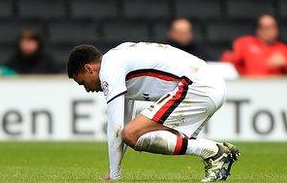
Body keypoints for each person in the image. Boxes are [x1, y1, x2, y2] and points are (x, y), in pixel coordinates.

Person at [67, 42, 240, 182]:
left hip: (198, 85)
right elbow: (123, 124)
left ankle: (214, 152)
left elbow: (116, 128)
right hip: (211, 83)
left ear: (89, 68)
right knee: (146, 135)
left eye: (83, 83)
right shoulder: (118, 58)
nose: (87, 89)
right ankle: (217, 159)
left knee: (132, 134)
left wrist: (114, 175)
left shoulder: (109, 70)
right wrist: (114, 172)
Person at [220, 14, 287, 76]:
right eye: (265, 28)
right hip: (251, 87)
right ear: (258, 30)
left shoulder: (284, 49)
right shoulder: (245, 43)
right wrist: (266, 66)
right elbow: (227, 62)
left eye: (273, 27)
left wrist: (286, 63)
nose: (269, 31)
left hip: (275, 90)